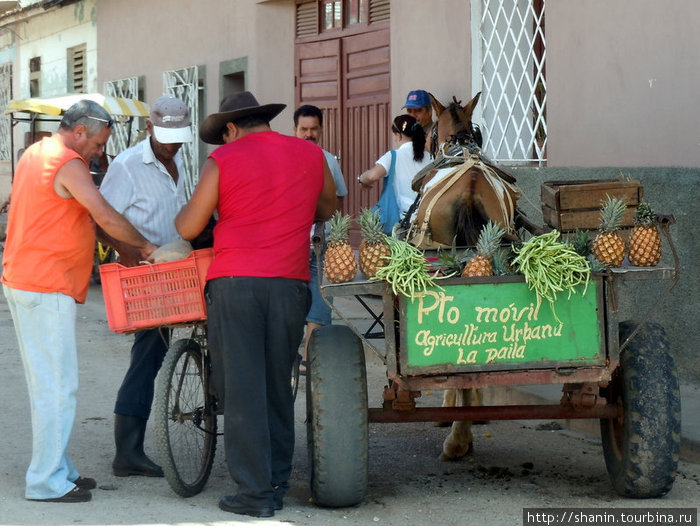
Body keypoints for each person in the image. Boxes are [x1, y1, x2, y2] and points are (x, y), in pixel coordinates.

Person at [175, 91, 336, 518]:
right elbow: (327, 207)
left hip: (235, 284)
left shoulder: (222, 161)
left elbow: (190, 225)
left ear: (230, 128)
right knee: (276, 385)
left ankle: (254, 494)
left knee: (242, 390)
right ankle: (277, 481)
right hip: (289, 284)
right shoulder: (309, 153)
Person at [1, 100, 157, 503]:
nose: (101, 152)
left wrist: (121, 249)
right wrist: (144, 244)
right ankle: (47, 481)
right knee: (58, 386)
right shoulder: (66, 162)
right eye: (101, 143)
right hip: (44, 284)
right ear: (80, 132)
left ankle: (59, 468)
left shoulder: (36, 152)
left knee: (49, 384)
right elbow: (103, 212)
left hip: (30, 280)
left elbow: (82, 218)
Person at [98, 96, 193, 478]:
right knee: (148, 355)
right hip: (144, 275)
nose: (171, 144)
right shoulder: (127, 166)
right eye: (165, 136)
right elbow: (100, 220)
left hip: (175, 271)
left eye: (178, 137)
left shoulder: (178, 160)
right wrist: (133, 253)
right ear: (150, 129)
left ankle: (130, 449)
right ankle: (128, 452)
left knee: (154, 354)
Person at [292, 104, 347, 373]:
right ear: (295, 130)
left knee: (321, 295)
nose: (309, 134)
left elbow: (339, 200)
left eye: (314, 129)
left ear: (321, 130)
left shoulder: (329, 160)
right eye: (304, 129)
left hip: (319, 241)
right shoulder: (284, 157)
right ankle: (288, 351)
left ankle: (308, 357)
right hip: (290, 242)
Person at [358, 114, 433, 221]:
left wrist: (361, 179)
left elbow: (372, 176)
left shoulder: (394, 156)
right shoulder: (430, 157)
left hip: (402, 221)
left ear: (398, 135)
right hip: (426, 218)